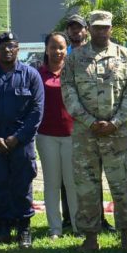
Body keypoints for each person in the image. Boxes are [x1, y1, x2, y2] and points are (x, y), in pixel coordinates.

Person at [62, 10, 127, 253]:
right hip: (85, 135)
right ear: (89, 29)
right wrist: (89, 121)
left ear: (111, 28)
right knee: (86, 188)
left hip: (117, 135)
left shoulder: (125, 56)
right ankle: (90, 238)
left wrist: (115, 122)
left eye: (105, 27)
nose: (101, 31)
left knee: (121, 187)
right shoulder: (75, 59)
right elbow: (68, 92)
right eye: (96, 27)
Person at [0, 32, 44, 248]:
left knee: (22, 184)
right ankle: (2, 228)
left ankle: (24, 228)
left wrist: (18, 137)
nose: (7, 50)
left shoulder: (31, 75)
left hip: (21, 142)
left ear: (18, 49)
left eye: (11, 46)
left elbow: (37, 111)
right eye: (2, 46)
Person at [36, 32, 77, 239]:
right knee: (52, 183)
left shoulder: (73, 72)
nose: (57, 51)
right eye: (53, 47)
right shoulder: (38, 74)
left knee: (72, 183)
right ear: (46, 49)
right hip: (46, 136)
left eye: (61, 47)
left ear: (66, 49)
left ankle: (78, 227)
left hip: (72, 135)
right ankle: (55, 228)